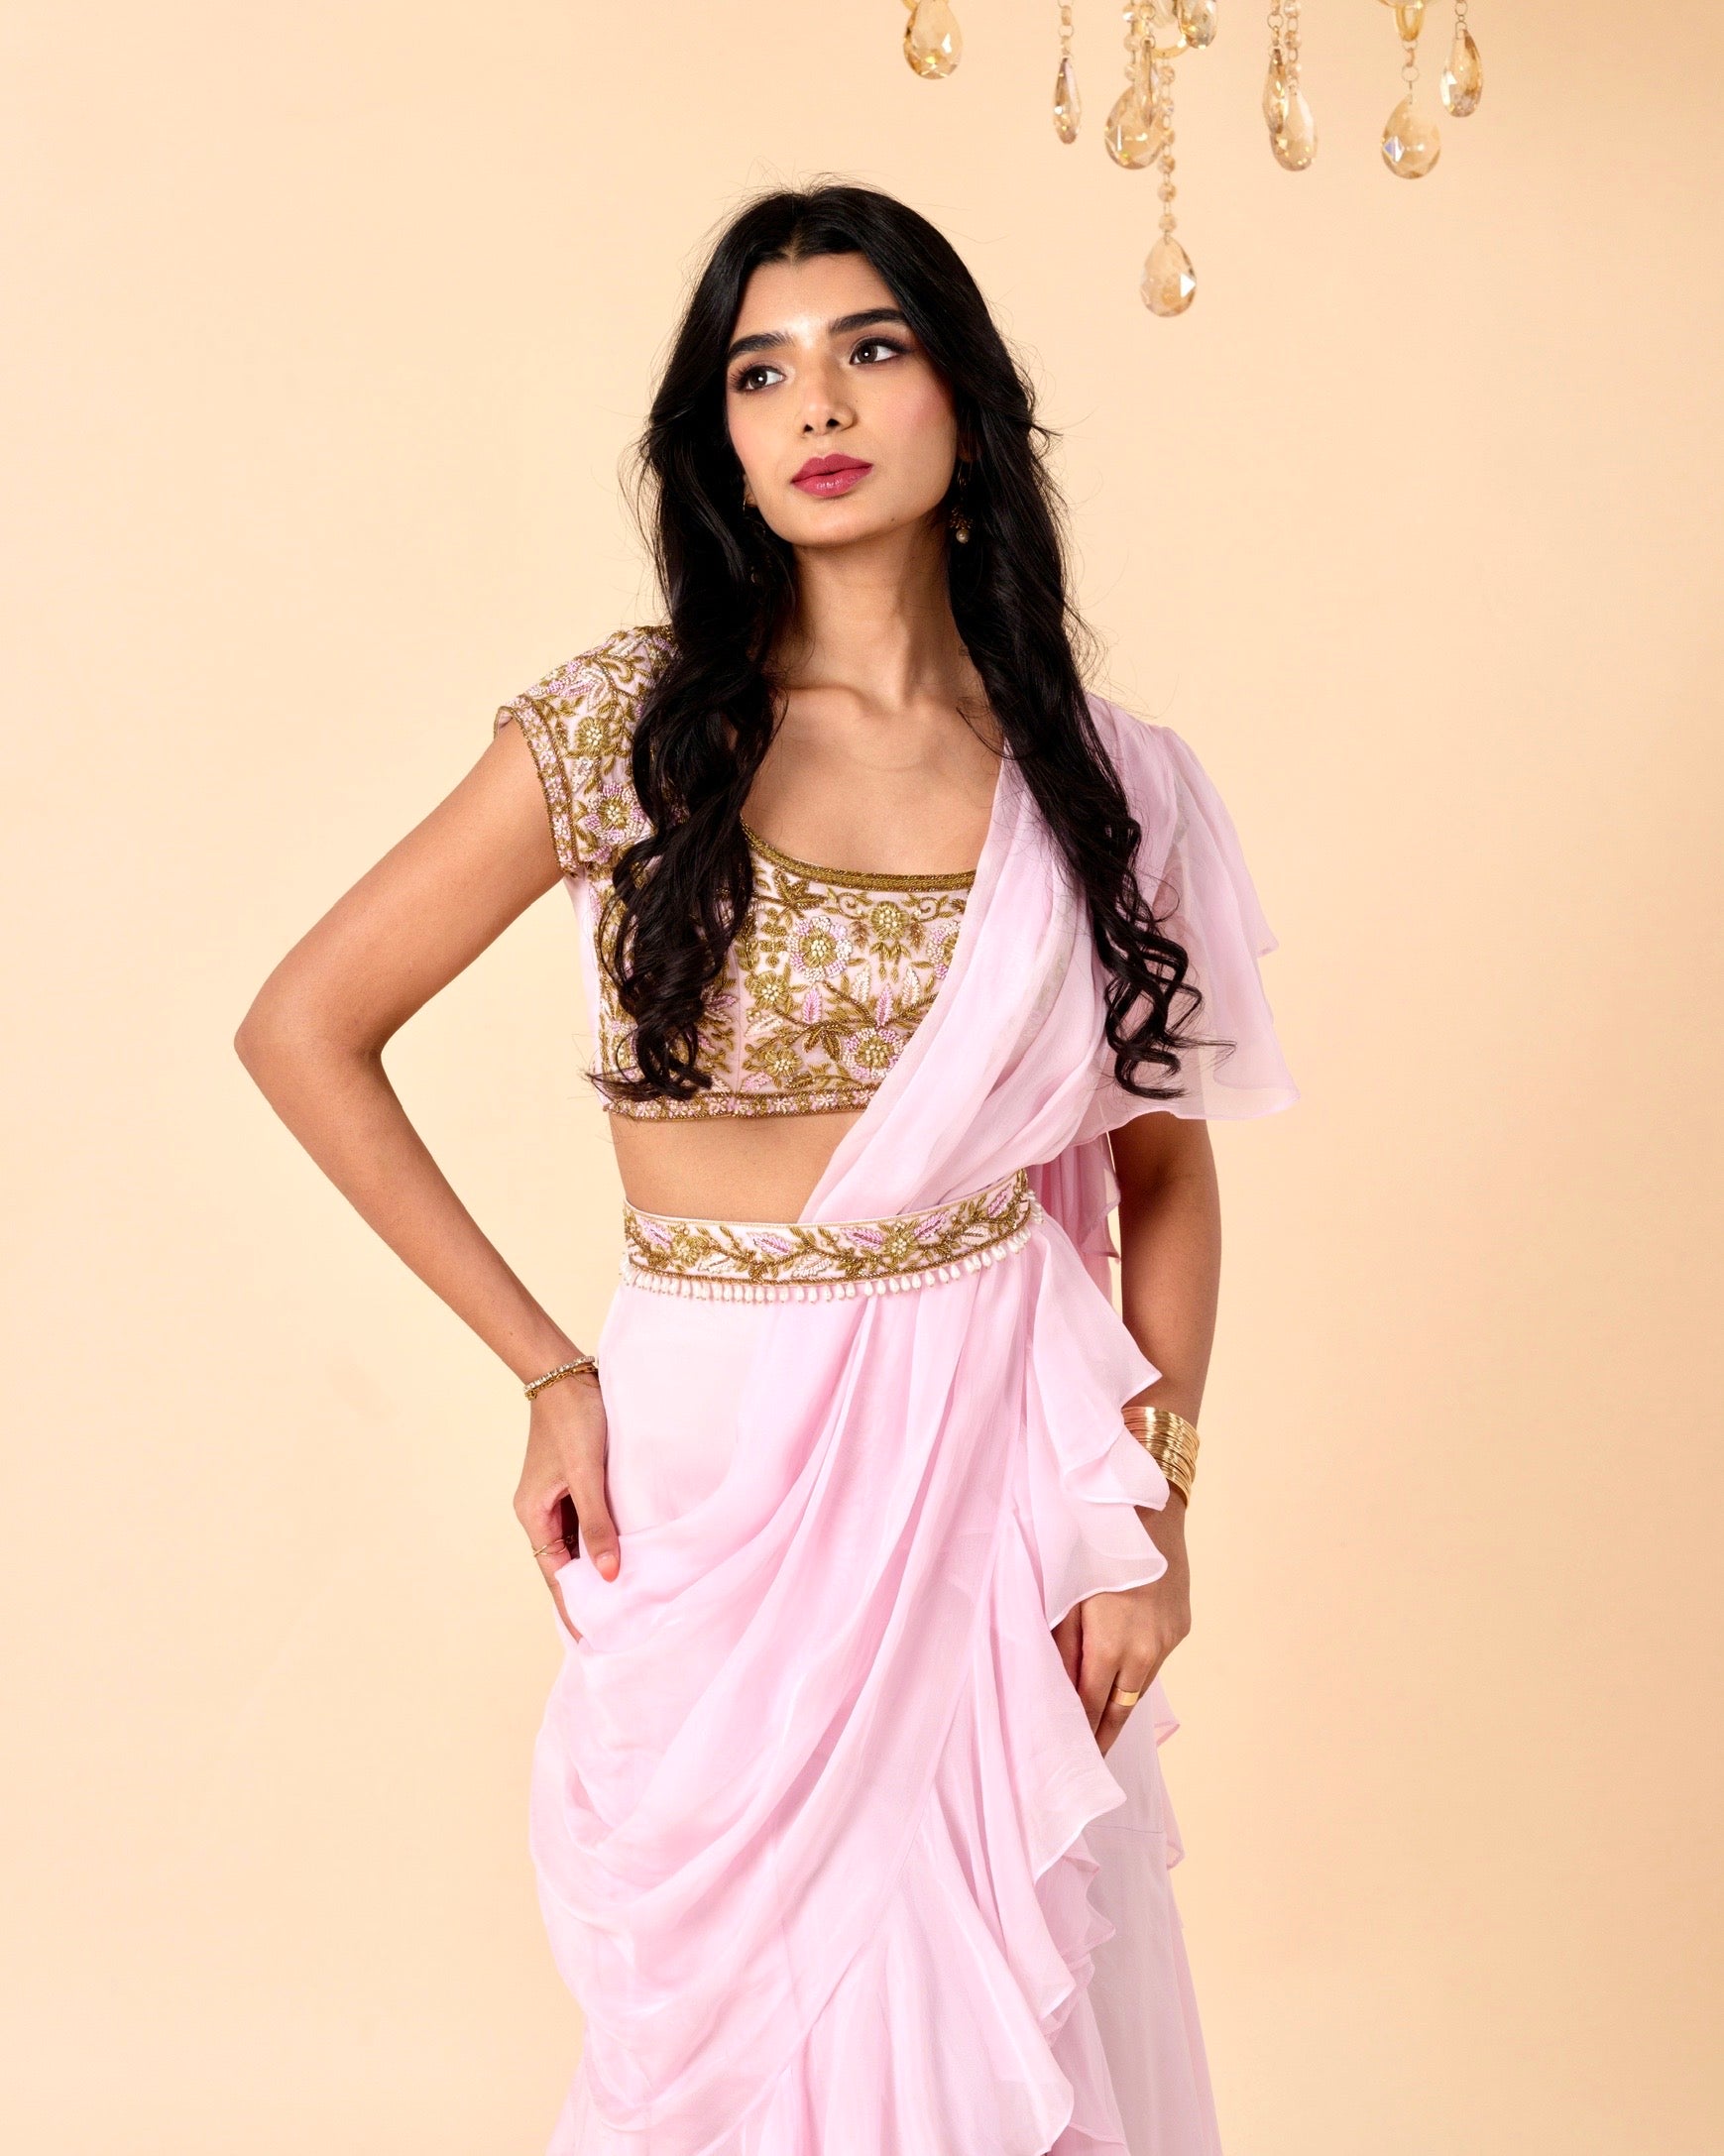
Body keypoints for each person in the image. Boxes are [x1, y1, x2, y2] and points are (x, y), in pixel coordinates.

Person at [235, 181, 1296, 2156]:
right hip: (713, 1446)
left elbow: (1162, 1172)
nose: (817, 401)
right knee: (738, 2025)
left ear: (964, 400)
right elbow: (306, 1025)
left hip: (995, 1449)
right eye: (760, 368)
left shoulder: (1108, 781)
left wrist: (1155, 1510)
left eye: (872, 347)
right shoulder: (630, 730)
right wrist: (549, 1371)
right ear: (717, 438)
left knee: (987, 1987)